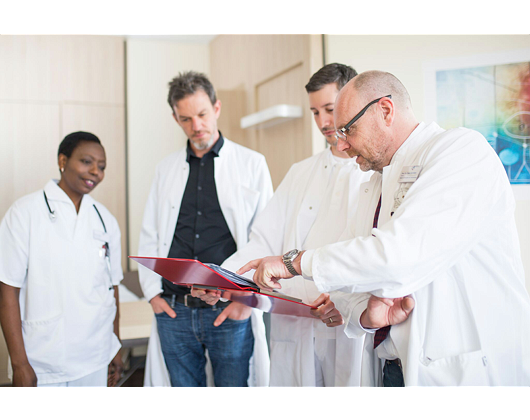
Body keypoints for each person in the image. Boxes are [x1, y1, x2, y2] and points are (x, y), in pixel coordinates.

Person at [239, 70, 530, 387]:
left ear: (386, 110)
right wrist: (365, 316)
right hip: (394, 366)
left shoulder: (460, 151)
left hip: (467, 370)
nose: (344, 145)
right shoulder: (376, 183)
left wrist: (293, 262)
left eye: (349, 129)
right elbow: (355, 282)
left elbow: (398, 256)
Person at [193, 63, 374, 386]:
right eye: (315, 112)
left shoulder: (374, 175)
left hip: (347, 324)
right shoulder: (300, 172)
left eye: (330, 109)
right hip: (296, 326)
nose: (323, 122)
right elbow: (263, 241)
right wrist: (224, 280)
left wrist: (347, 303)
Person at [138, 71, 273, 387]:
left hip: (229, 309)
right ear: (175, 118)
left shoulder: (252, 164)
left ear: (216, 108)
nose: (196, 126)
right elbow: (150, 234)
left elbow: (264, 237)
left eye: (201, 114)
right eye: (185, 119)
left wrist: (244, 299)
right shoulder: (166, 168)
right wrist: (153, 295)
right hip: (174, 310)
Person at [0, 131, 124, 387]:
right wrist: (19, 363)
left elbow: (112, 289)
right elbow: (7, 290)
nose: (95, 172)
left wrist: (115, 347)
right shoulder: (25, 213)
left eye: (101, 167)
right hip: (43, 359)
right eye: (86, 161)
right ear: (62, 160)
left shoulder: (104, 219)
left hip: (95, 356)